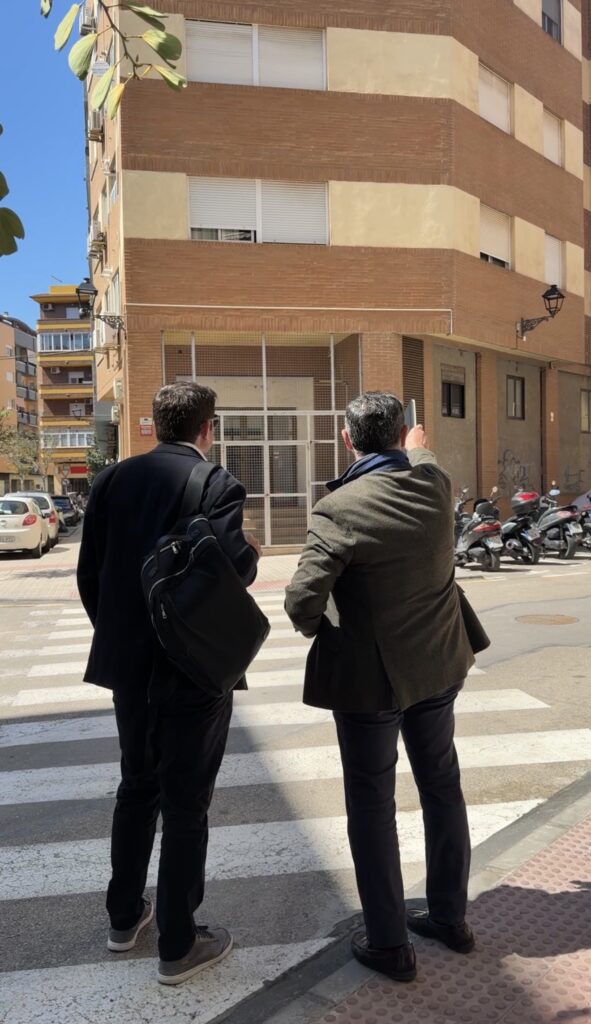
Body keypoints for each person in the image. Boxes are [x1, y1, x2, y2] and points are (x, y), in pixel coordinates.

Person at [284, 391, 475, 983]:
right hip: (438, 665)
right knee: (442, 786)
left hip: (370, 682)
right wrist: (417, 448)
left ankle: (390, 945)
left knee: (372, 804)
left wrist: (329, 626)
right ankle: (450, 917)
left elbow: (301, 603)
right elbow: (424, 457)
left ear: (347, 440)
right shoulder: (435, 485)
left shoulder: (339, 509)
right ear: (402, 436)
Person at [77, 382, 261, 985]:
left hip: (128, 667)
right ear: (207, 428)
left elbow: (90, 576)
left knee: (137, 785)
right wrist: (251, 552)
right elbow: (232, 570)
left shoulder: (109, 482)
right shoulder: (215, 483)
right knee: (186, 802)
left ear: (156, 425)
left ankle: (124, 918)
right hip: (192, 669)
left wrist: (122, 635)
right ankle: (179, 945)